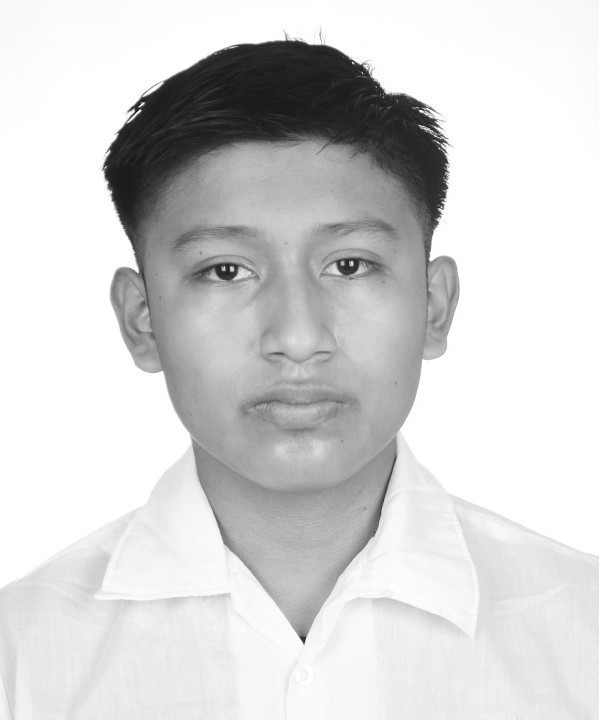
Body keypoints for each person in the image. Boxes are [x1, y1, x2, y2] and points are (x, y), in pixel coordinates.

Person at [0, 39, 597, 719]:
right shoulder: (21, 660)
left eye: (349, 265)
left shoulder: (583, 636)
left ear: (433, 306)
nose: (297, 337)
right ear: (142, 321)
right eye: (226, 270)